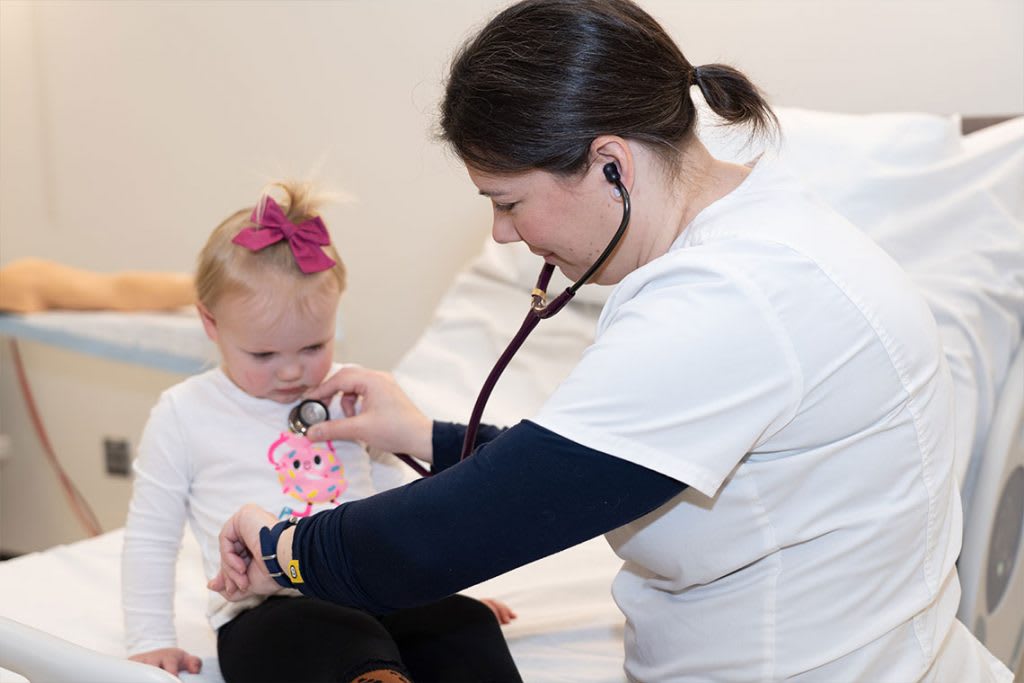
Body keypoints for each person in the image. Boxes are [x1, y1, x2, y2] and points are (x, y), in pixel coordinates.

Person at [210, 2, 1014, 681]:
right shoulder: (765, 235)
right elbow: (601, 463)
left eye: (507, 200)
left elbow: (468, 527)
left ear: (611, 166)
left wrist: (283, 546)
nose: (498, 235)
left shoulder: (727, 302)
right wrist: (421, 434)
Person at [122, 181, 521, 683]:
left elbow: (397, 500)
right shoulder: (185, 412)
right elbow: (150, 538)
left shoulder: (350, 395)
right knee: (330, 630)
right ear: (210, 323)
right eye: (264, 355)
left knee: (463, 622)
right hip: (266, 610)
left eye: (313, 346)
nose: (292, 372)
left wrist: (431, 588)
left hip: (372, 588)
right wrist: (150, 641)